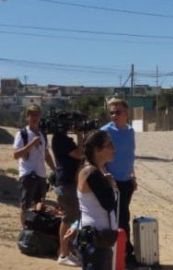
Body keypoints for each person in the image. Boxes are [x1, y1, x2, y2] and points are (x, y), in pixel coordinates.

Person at [100, 98, 137, 265]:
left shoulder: (130, 131)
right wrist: (106, 175)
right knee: (119, 219)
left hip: (127, 182)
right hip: (112, 184)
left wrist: (133, 176)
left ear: (126, 113)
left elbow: (130, 155)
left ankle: (123, 252)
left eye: (118, 112)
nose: (114, 115)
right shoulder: (105, 132)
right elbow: (97, 157)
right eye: (112, 112)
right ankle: (125, 254)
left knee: (124, 216)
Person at [77, 130, 117, 270]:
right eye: (109, 145)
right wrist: (111, 186)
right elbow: (109, 204)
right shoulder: (92, 173)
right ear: (97, 150)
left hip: (97, 239)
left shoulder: (94, 171)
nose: (113, 148)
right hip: (96, 240)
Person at [12, 104, 56, 226]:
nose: (34, 118)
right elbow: (16, 155)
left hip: (41, 174)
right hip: (27, 174)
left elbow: (46, 155)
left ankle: (35, 229)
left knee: (39, 204)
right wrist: (31, 144)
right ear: (27, 117)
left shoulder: (43, 134)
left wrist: (54, 169)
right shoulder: (22, 134)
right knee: (25, 205)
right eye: (32, 115)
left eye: (37, 115)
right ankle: (24, 230)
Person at [51, 128, 84, 266]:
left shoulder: (61, 139)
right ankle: (64, 254)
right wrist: (80, 136)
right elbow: (80, 154)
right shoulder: (61, 139)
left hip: (67, 183)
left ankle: (65, 251)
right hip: (66, 184)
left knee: (72, 216)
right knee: (70, 217)